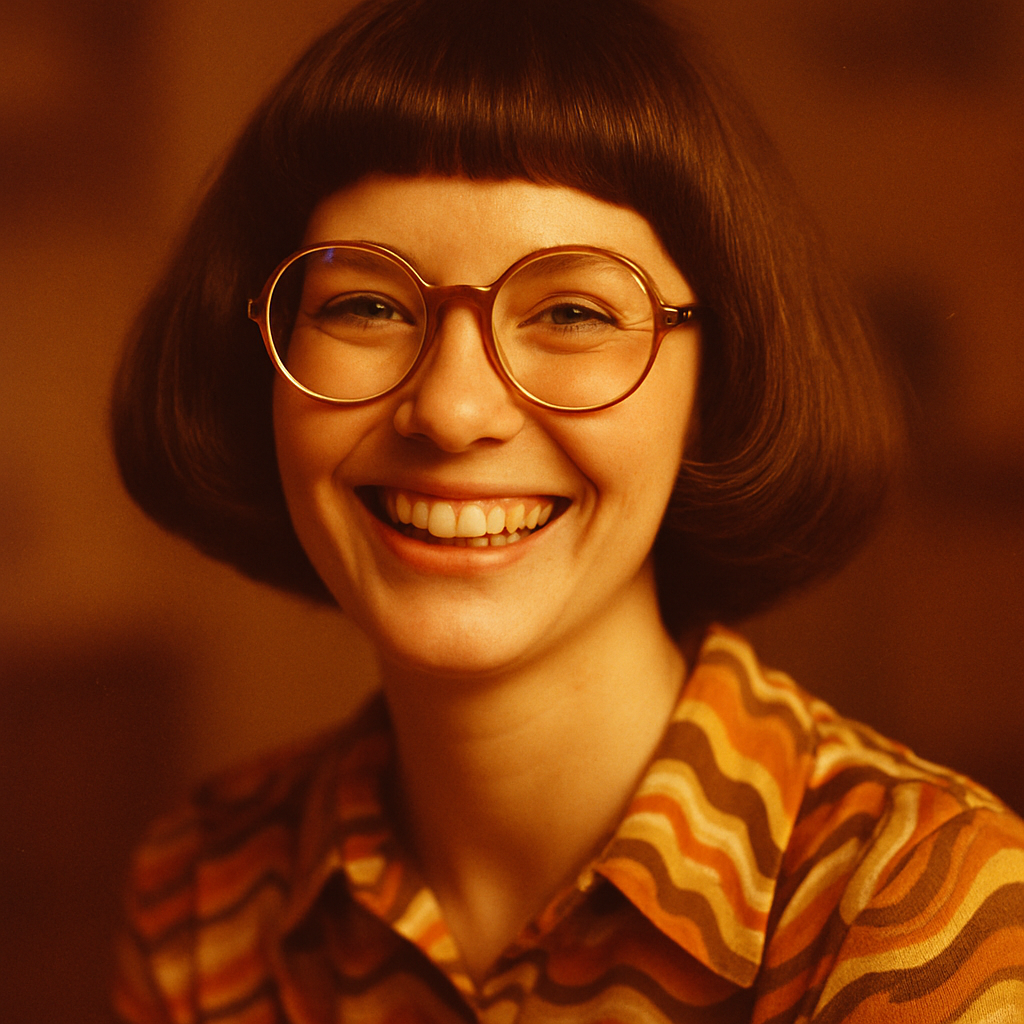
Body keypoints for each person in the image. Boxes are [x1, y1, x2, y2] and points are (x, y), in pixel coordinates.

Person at [110, 0, 1024, 1020]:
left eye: (573, 313)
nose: (452, 410)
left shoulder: (910, 904)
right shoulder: (201, 887)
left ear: (715, 384)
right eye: (365, 305)